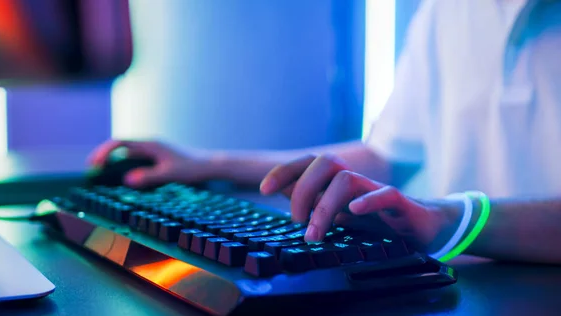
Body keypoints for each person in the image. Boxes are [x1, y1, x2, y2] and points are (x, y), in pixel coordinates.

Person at [89, 0, 561, 264]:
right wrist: (211, 164)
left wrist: (445, 219)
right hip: (466, 294)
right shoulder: (446, 11)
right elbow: (386, 154)